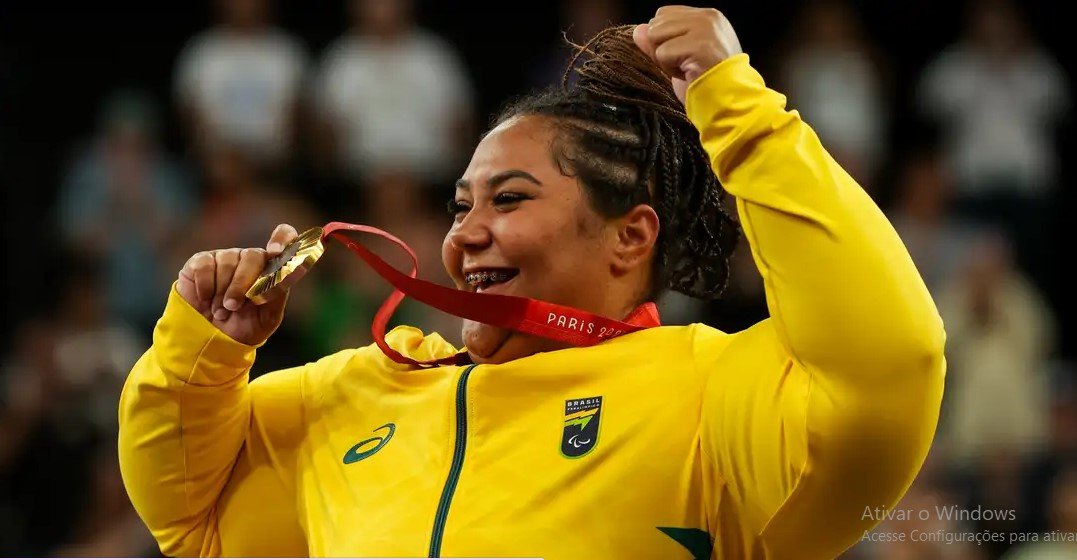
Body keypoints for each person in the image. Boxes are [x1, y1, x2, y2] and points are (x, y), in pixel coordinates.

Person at [119, 7, 945, 559]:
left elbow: (885, 371)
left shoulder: (709, 397)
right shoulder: (355, 395)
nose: (465, 233)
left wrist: (742, 115)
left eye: (509, 200)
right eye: (458, 206)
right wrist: (207, 350)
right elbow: (194, 516)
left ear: (630, 237)